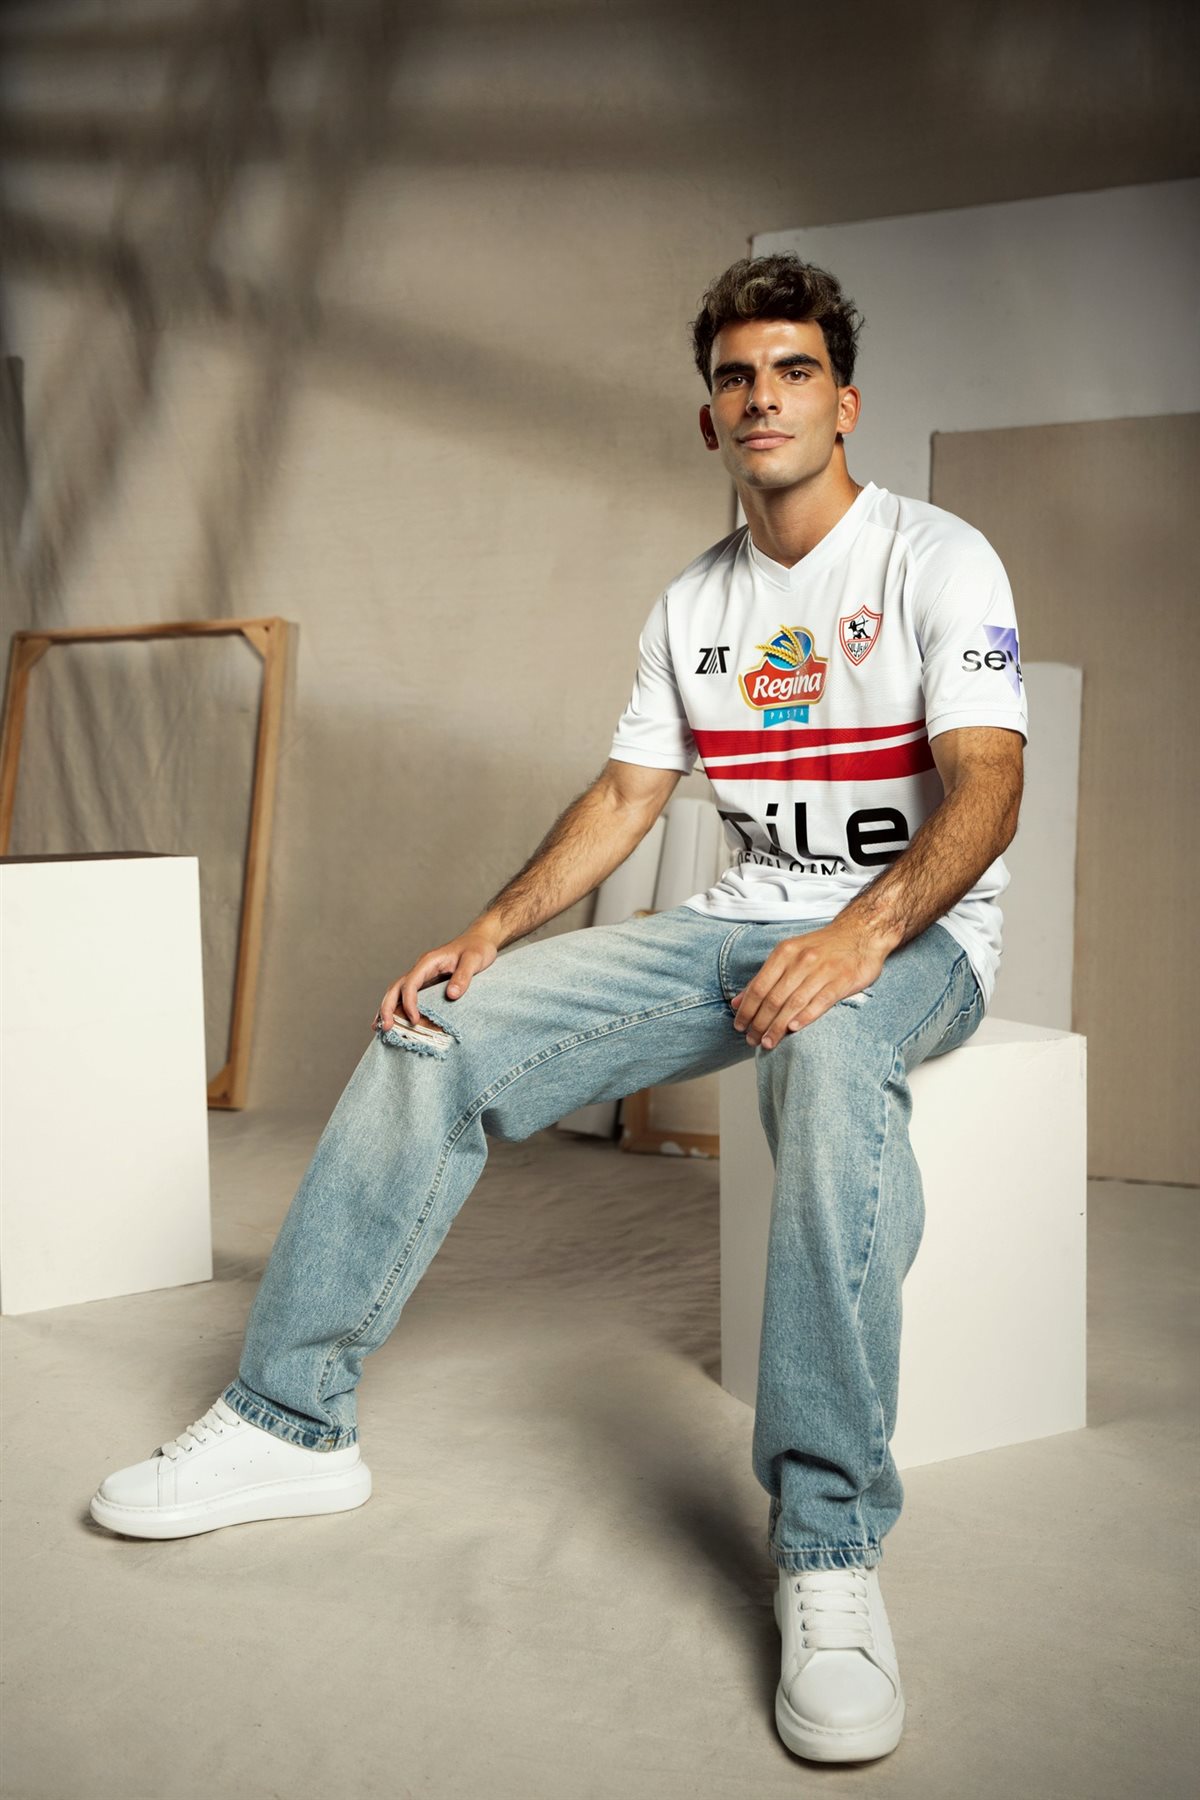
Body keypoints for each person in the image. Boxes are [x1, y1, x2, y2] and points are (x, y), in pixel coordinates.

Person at [91, 254, 1027, 1765]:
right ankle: (285, 1421)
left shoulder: (938, 558)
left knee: (833, 1043)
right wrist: (488, 930)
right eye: (736, 377)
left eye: (793, 371)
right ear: (709, 417)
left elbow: (989, 790)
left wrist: (861, 937)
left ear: (844, 403)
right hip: (735, 928)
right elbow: (624, 797)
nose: (764, 398)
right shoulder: (694, 604)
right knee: (439, 1030)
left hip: (915, 939)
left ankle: (829, 1546)